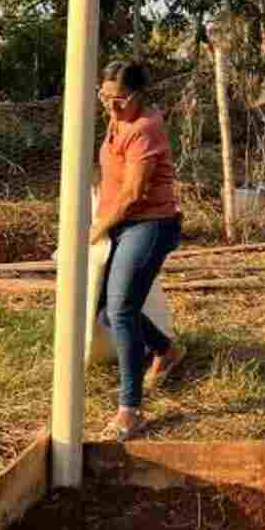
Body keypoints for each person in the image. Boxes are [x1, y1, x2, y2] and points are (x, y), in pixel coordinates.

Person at [92, 60, 185, 441]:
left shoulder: (145, 128)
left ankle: (130, 410)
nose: (111, 106)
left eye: (119, 99)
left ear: (138, 95)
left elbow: (133, 193)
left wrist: (98, 226)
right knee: (107, 309)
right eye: (105, 97)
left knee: (122, 309)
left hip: (150, 224)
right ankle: (165, 349)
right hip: (121, 222)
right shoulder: (118, 120)